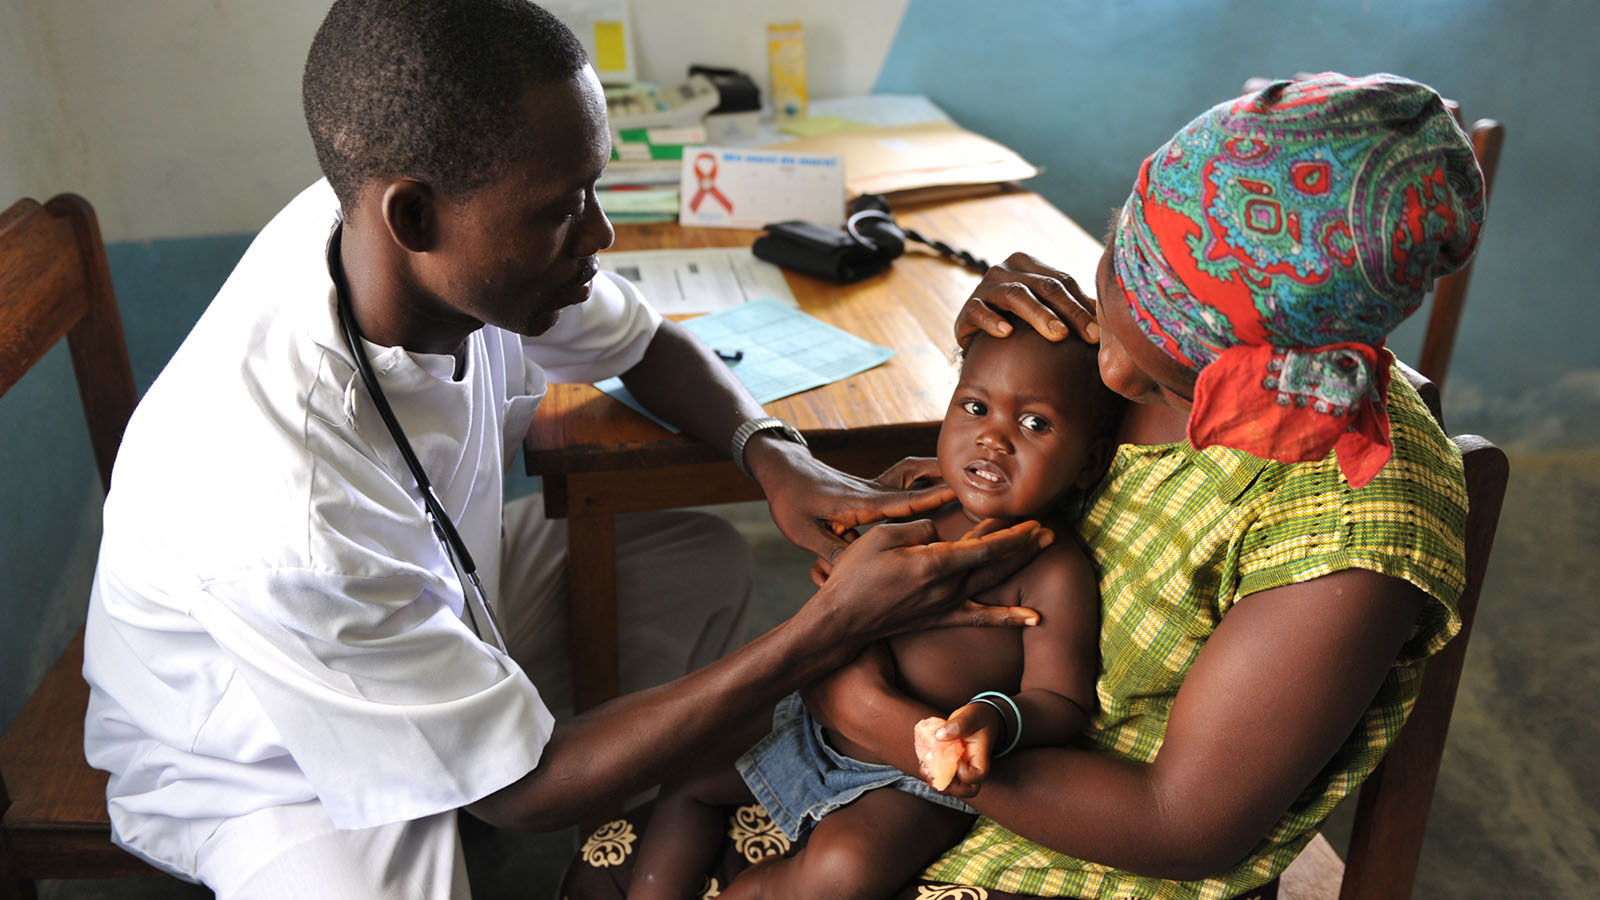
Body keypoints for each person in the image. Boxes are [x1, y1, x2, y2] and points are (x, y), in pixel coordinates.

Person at [79, 3, 1052, 898]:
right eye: (561, 209)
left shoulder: (417, 245)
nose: (601, 231)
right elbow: (523, 791)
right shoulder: (284, 503)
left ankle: (601, 787)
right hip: (263, 759)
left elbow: (645, 344)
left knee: (695, 559)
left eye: (591, 188)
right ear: (413, 217)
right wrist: (828, 627)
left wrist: (772, 456)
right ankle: (535, 765)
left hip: (432, 597)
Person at [564, 72, 1483, 900]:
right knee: (628, 846)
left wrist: (872, 716)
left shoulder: (1356, 527)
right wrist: (1015, 371)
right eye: (1114, 286)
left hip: (1092, 853)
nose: (1111, 374)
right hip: (922, 748)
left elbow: (1183, 828)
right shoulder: (1145, 346)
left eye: (1169, 382)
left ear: (1273, 374)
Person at [625, 325, 1123, 900]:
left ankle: (761, 888)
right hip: (810, 718)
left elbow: (1060, 702)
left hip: (910, 777)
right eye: (975, 407)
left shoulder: (1052, 567)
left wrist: (994, 719)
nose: (993, 438)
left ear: (1088, 464)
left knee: (845, 869)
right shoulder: (912, 505)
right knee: (688, 777)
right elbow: (839, 588)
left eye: (1035, 423)